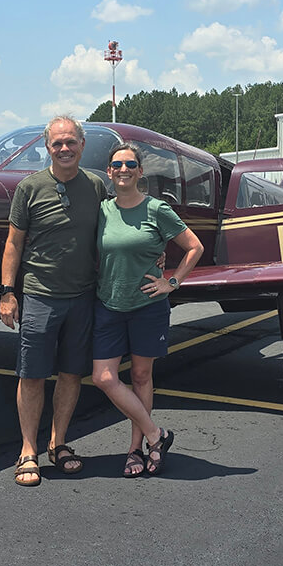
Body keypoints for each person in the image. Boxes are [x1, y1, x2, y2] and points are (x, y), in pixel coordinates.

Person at [0, 116, 108, 487]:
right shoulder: (29, 187)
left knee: (72, 373)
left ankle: (58, 443)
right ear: (47, 148)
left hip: (83, 296)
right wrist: (7, 292)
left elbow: (113, 232)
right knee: (31, 375)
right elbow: (14, 243)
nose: (64, 148)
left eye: (70, 142)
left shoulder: (96, 186)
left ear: (82, 144)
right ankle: (28, 449)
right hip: (40, 296)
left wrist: (154, 252)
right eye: (57, 143)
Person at [91, 144, 204, 477]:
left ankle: (135, 450)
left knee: (141, 376)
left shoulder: (157, 209)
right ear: (109, 172)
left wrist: (172, 282)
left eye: (130, 164)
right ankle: (157, 435)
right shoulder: (102, 211)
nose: (123, 169)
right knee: (103, 377)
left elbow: (194, 246)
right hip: (109, 304)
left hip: (147, 306)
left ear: (140, 171)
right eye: (117, 164)